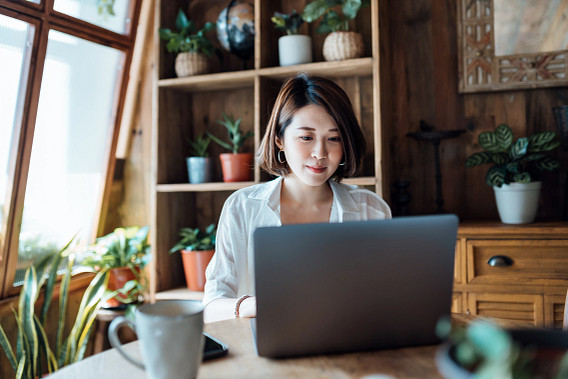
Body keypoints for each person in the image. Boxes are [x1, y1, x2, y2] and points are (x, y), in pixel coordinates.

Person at [202, 74, 391, 322]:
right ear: (279, 139)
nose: (320, 153)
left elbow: (386, 298)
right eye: (306, 137)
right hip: (265, 350)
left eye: (334, 139)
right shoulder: (243, 207)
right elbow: (211, 305)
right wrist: (252, 306)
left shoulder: (371, 209)